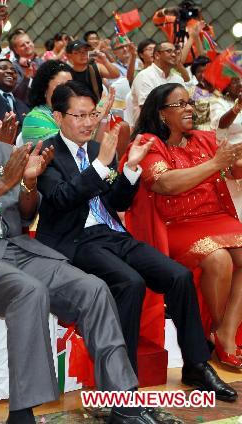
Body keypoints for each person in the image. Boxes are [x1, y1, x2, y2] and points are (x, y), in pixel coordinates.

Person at [0, 83, 169, 424]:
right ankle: (22, 415)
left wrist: (29, 183)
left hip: (11, 247)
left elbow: (25, 213)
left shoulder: (1, 151)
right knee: (28, 291)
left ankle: (123, 401)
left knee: (92, 288)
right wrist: (4, 183)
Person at [35, 81, 236, 401]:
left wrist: (129, 169)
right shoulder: (46, 152)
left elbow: (118, 202)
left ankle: (196, 364)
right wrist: (100, 165)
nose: (88, 122)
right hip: (74, 239)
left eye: (92, 115)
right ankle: (122, 385)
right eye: (79, 116)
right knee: (130, 283)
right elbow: (61, 198)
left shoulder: (97, 149)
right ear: (58, 117)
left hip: (111, 233)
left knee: (178, 276)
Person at [128, 82, 242, 368]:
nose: (189, 108)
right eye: (180, 104)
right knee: (218, 259)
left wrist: (234, 160)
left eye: (189, 102)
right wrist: (215, 164)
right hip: (176, 224)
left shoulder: (203, 139)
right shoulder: (148, 144)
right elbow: (164, 183)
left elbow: (232, 169)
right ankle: (218, 334)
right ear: (162, 113)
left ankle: (225, 332)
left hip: (217, 218)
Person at [129, 42, 185, 125]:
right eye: (169, 51)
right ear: (157, 55)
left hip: (175, 126)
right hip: (149, 127)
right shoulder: (144, 76)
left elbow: (184, 104)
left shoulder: (178, 79)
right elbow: (148, 108)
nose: (174, 55)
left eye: (175, 52)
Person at [22, 60, 73, 144]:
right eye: (61, 86)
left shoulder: (73, 113)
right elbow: (67, 146)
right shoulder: (34, 119)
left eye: (71, 86)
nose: (68, 91)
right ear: (45, 89)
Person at [211, 77, 242, 143]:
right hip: (230, 145)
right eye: (235, 82)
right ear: (227, 87)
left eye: (241, 81)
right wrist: (238, 106)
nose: (240, 84)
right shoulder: (218, 102)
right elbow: (221, 124)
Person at [188, 55, 213, 130]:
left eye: (206, 71)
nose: (203, 75)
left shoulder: (221, 90)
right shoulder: (190, 93)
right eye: (199, 72)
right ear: (194, 74)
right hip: (202, 132)